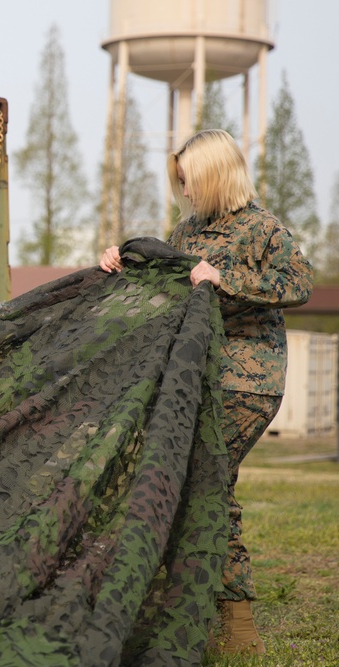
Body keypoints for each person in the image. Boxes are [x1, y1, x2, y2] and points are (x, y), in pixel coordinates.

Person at [100, 128, 313, 656]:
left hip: (248, 380)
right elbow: (169, 288)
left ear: (213, 175)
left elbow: (300, 284)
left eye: (188, 180)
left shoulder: (263, 230)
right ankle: (221, 620)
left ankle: (230, 625)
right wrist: (124, 263)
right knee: (206, 487)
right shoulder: (187, 229)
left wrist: (225, 279)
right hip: (200, 377)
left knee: (202, 483)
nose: (184, 191)